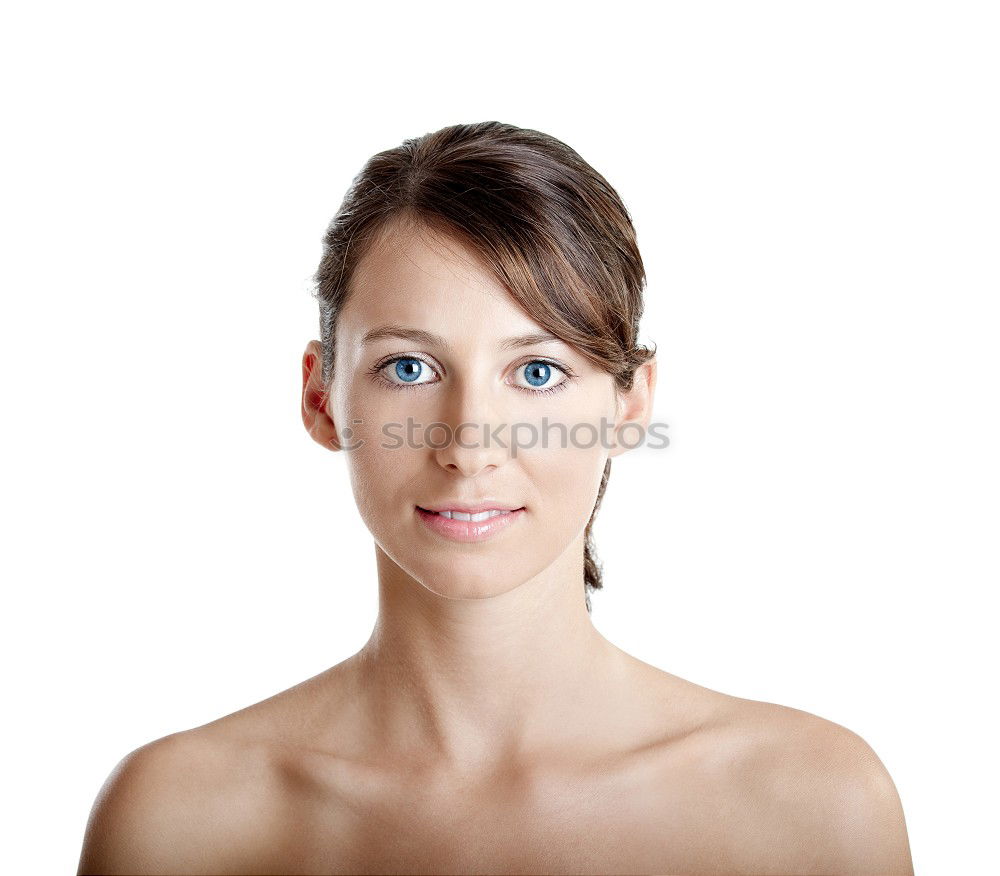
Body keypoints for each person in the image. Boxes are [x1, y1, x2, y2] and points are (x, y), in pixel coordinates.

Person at [77, 121, 913, 875]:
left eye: (537, 373)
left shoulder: (815, 809)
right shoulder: (177, 824)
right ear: (322, 396)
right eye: (410, 368)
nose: (468, 446)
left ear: (629, 405)